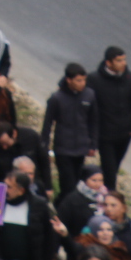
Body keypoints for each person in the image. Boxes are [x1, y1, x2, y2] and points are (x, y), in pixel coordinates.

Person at [86, 45, 131, 183]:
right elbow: (86, 104)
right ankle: (110, 197)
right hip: (105, 136)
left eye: (124, 60)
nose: (124, 63)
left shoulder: (129, 77)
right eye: (119, 60)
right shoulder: (94, 79)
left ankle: (100, 188)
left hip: (124, 134)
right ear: (108, 63)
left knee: (114, 168)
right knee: (110, 172)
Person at [41, 64, 99, 195]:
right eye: (79, 80)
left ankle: (62, 206)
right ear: (69, 80)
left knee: (77, 182)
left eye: (84, 80)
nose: (82, 83)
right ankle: (66, 210)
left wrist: (93, 144)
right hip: (63, 148)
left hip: (81, 147)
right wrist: (44, 146)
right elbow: (47, 123)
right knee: (68, 184)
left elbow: (94, 121)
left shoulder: (89, 95)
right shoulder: (57, 98)